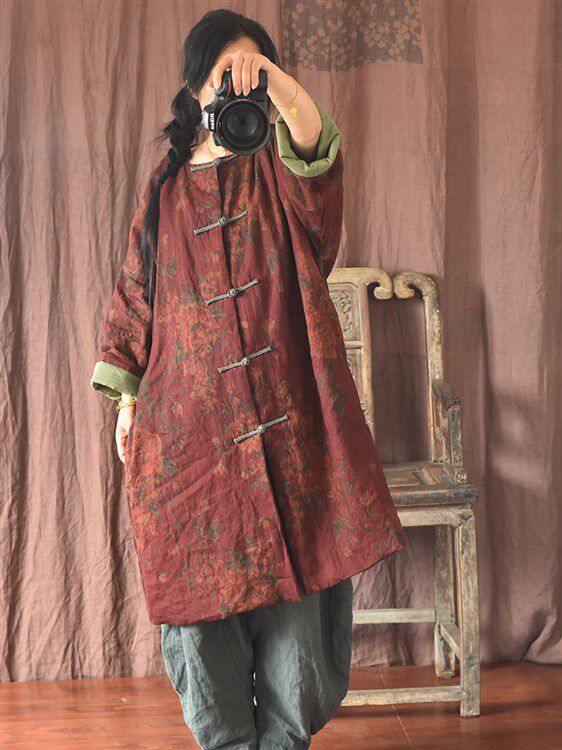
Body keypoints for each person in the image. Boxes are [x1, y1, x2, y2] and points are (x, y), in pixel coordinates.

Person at [90, 8, 408, 748]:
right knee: (201, 613)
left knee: (302, 613)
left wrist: (274, 85)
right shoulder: (165, 190)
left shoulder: (284, 174)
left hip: (293, 430)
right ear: (192, 88)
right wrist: (126, 399)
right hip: (188, 443)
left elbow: (316, 149)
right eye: (222, 76)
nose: (236, 90)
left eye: (251, 78)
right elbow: (136, 293)